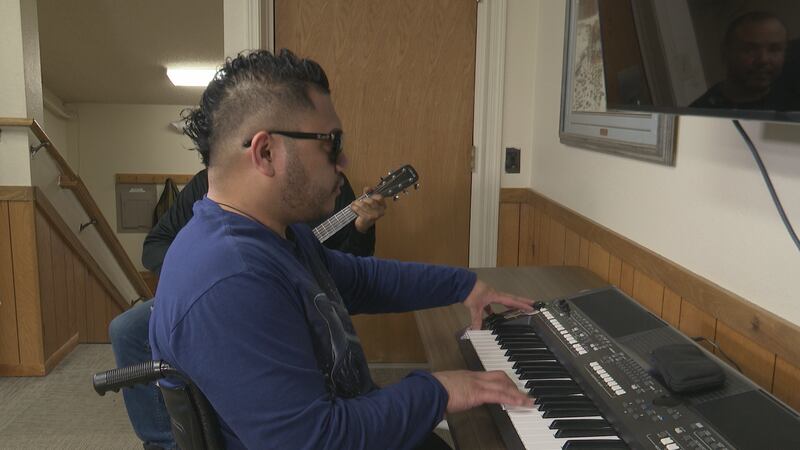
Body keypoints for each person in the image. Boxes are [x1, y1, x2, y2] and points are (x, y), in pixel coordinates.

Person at [148, 48, 534, 449]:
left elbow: (363, 280)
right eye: (332, 143)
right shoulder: (230, 277)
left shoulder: (275, 235)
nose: (344, 159)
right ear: (266, 153)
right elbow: (314, 441)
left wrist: (464, 285)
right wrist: (439, 390)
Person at [110, 168, 385, 449]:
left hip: (292, 293)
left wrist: (361, 227)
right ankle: (163, 442)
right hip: (211, 288)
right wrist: (196, 271)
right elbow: (154, 245)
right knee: (126, 329)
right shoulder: (209, 181)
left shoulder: (329, 181)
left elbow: (351, 267)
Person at [691, 11, 791, 109]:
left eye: (774, 49)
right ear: (725, 52)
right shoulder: (699, 113)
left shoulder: (793, 102)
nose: (763, 60)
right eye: (750, 50)